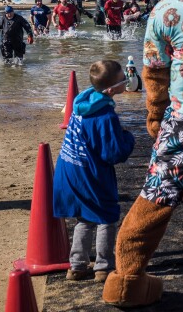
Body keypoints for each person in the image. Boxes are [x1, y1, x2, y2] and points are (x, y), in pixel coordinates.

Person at [53, 59, 135, 283]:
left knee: (84, 217)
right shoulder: (105, 116)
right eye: (124, 79)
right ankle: (103, 267)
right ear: (111, 90)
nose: (127, 81)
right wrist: (128, 138)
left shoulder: (82, 102)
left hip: (69, 168)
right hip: (91, 173)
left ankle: (77, 265)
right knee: (106, 216)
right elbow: (113, 154)